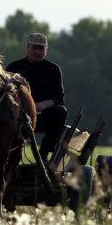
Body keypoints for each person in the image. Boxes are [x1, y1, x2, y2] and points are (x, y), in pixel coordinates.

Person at [6, 32, 67, 162]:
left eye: (41, 48)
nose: (38, 51)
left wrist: (40, 105)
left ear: (46, 50)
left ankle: (43, 154)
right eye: (34, 48)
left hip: (42, 117)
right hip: (18, 117)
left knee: (60, 112)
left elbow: (59, 98)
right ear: (27, 48)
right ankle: (5, 155)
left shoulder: (53, 69)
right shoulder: (14, 68)